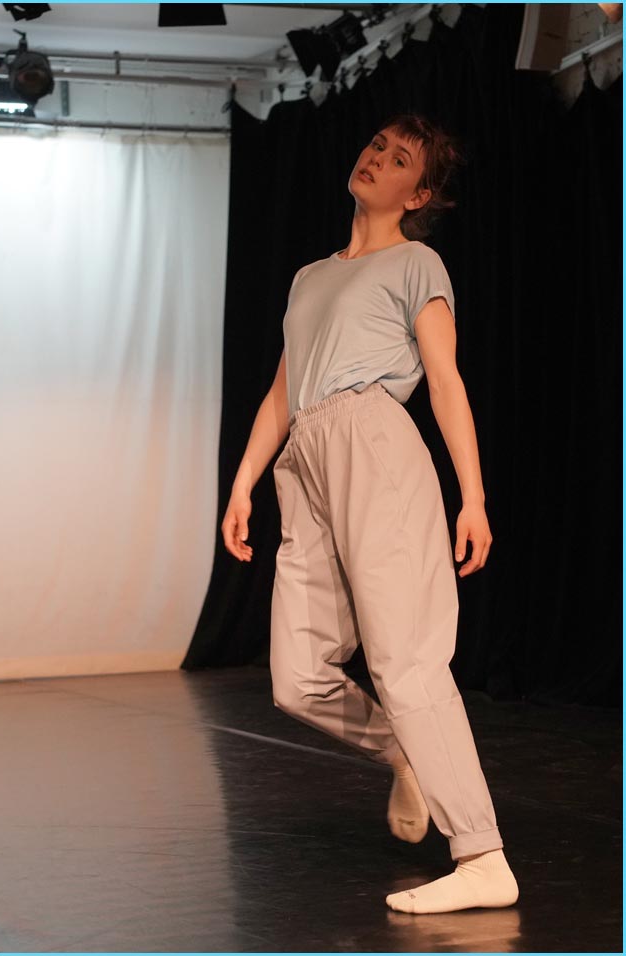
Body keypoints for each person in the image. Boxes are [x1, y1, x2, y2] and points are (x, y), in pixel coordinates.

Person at [221, 112, 519, 915]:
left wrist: (473, 496)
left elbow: (444, 380)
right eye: (376, 146)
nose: (375, 159)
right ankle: (402, 751)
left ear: (417, 194)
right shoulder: (309, 276)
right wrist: (244, 482)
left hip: (374, 440)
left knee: (405, 658)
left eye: (398, 160)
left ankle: (482, 856)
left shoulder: (416, 262)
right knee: (297, 677)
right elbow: (282, 391)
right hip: (306, 454)